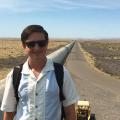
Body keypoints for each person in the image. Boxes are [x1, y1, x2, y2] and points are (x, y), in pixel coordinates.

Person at [1, 25, 79, 120]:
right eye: (31, 44)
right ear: (24, 46)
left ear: (47, 44)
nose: (37, 48)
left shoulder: (61, 73)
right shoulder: (15, 75)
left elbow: (70, 112)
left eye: (41, 43)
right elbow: (9, 113)